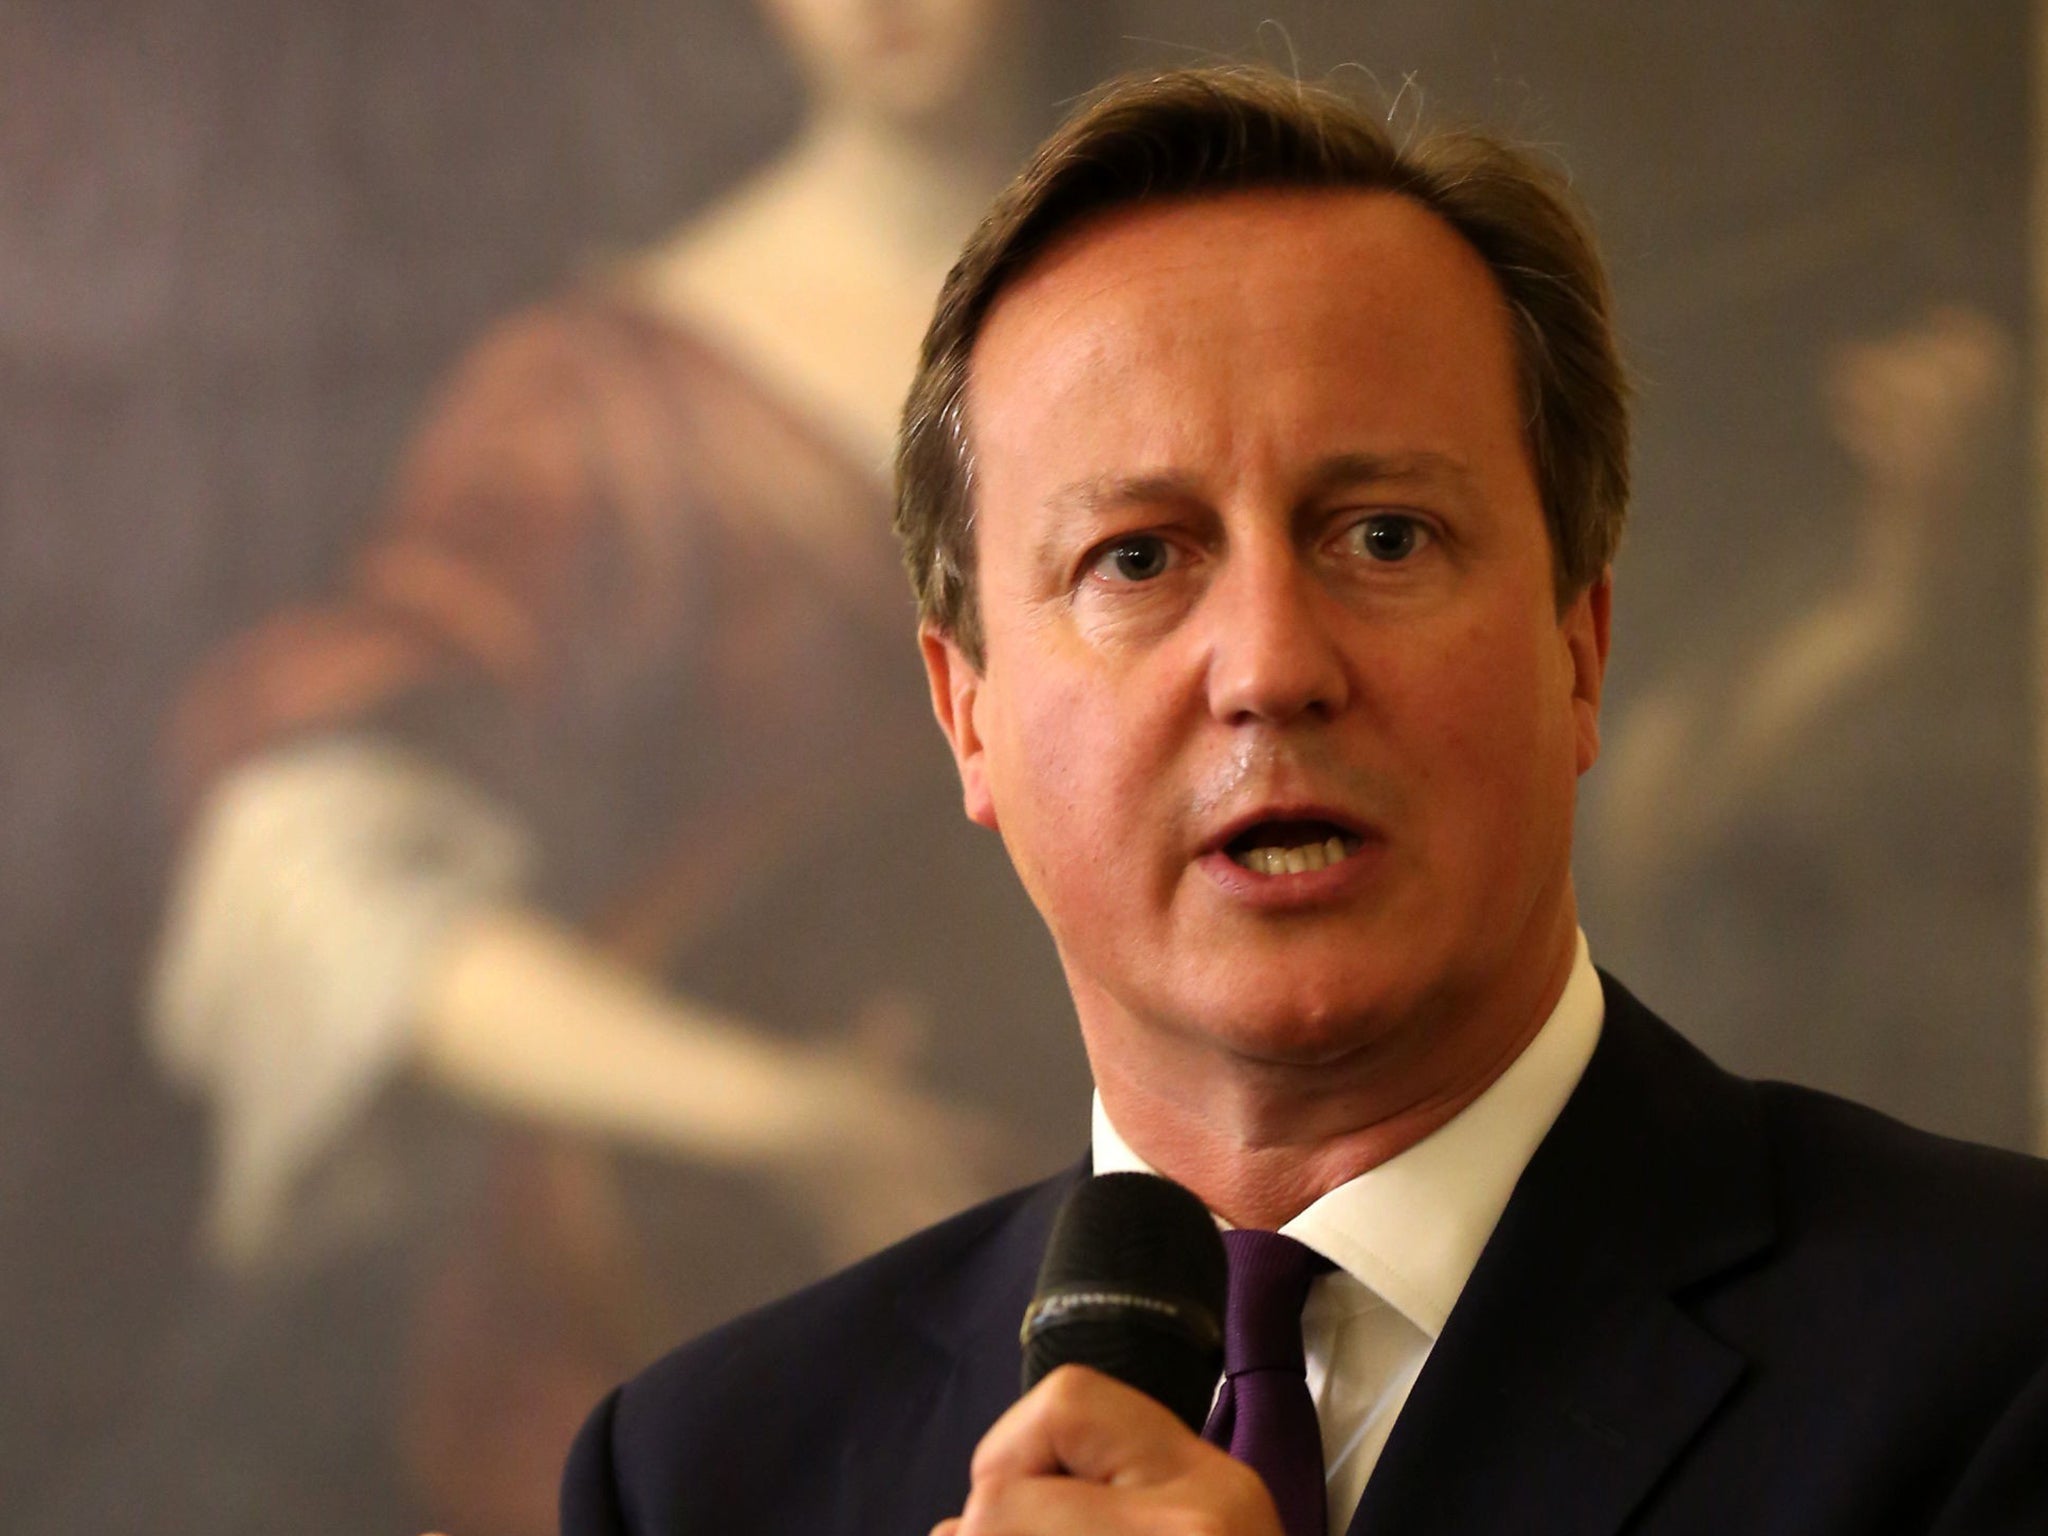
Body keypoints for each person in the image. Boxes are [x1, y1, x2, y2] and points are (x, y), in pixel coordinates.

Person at [559, 65, 2048, 1536]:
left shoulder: (2002, 1354)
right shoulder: (697, 1478)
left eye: (1386, 536)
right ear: (969, 713)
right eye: (1137, 559)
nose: (1271, 667)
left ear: (1579, 648)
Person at [130, 3, 1088, 1533]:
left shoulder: (1194, 321)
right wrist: (779, 1114)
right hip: (669, 1315)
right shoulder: (606, 397)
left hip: (1106, 1258)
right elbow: (300, 852)